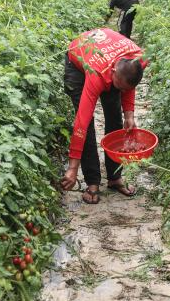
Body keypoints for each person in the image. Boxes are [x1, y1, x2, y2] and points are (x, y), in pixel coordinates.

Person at [60, 28, 147, 203]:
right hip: (78, 65)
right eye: (119, 86)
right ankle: (92, 182)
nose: (122, 91)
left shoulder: (138, 59)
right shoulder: (98, 74)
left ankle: (115, 178)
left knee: (115, 119)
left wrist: (129, 115)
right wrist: (72, 167)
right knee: (88, 126)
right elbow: (81, 124)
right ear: (113, 72)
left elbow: (128, 84)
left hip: (109, 59)